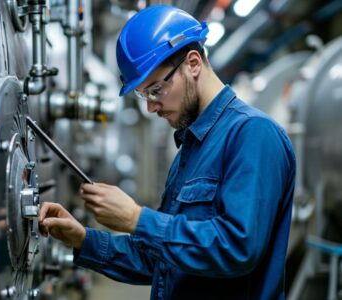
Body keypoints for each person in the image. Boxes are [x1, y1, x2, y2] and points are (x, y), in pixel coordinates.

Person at [38, 5, 296, 300]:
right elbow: (163, 260)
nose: (150, 106)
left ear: (194, 63)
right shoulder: (191, 146)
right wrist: (84, 240)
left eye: (156, 90)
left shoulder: (252, 135)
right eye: (143, 94)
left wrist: (136, 219)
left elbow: (238, 248)